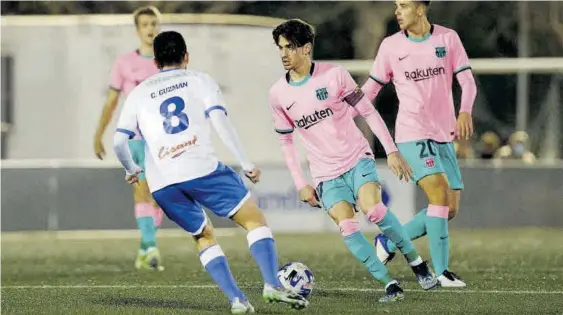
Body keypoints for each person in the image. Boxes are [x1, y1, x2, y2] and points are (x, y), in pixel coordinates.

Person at [113, 30, 309, 314]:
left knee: (203, 235)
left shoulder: (139, 93)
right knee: (254, 219)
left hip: (162, 183)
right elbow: (220, 121)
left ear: (155, 61)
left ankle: (237, 301)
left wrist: (132, 169)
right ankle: (271, 284)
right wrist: (245, 162)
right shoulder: (199, 80)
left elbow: (119, 141)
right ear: (187, 56)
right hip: (202, 168)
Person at [268, 19, 438, 303]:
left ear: (306, 48)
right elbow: (285, 140)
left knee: (375, 211)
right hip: (325, 173)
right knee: (348, 227)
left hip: (356, 157)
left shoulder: (334, 75)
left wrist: (392, 150)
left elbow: (369, 112)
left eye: (291, 47)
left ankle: (417, 262)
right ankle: (390, 284)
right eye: (281, 48)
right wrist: (301, 183)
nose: (284, 53)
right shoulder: (277, 94)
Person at [362, 0, 477, 287]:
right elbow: (372, 87)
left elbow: (468, 81)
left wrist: (465, 111)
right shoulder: (390, 46)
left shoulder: (447, 38)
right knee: (438, 196)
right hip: (412, 133)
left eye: (403, 5)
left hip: (444, 134)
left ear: (421, 9)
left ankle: (388, 241)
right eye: (396, 6)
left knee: (449, 209)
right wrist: (345, 110)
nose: (397, 11)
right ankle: (441, 272)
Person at [93, 6, 164, 271]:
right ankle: (152, 245)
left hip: (163, 140)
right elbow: (111, 102)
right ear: (137, 29)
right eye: (145, 24)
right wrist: (98, 134)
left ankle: (146, 247)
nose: (150, 29)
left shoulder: (167, 60)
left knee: (161, 197)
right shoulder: (124, 63)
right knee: (141, 191)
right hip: (135, 138)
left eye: (154, 24)